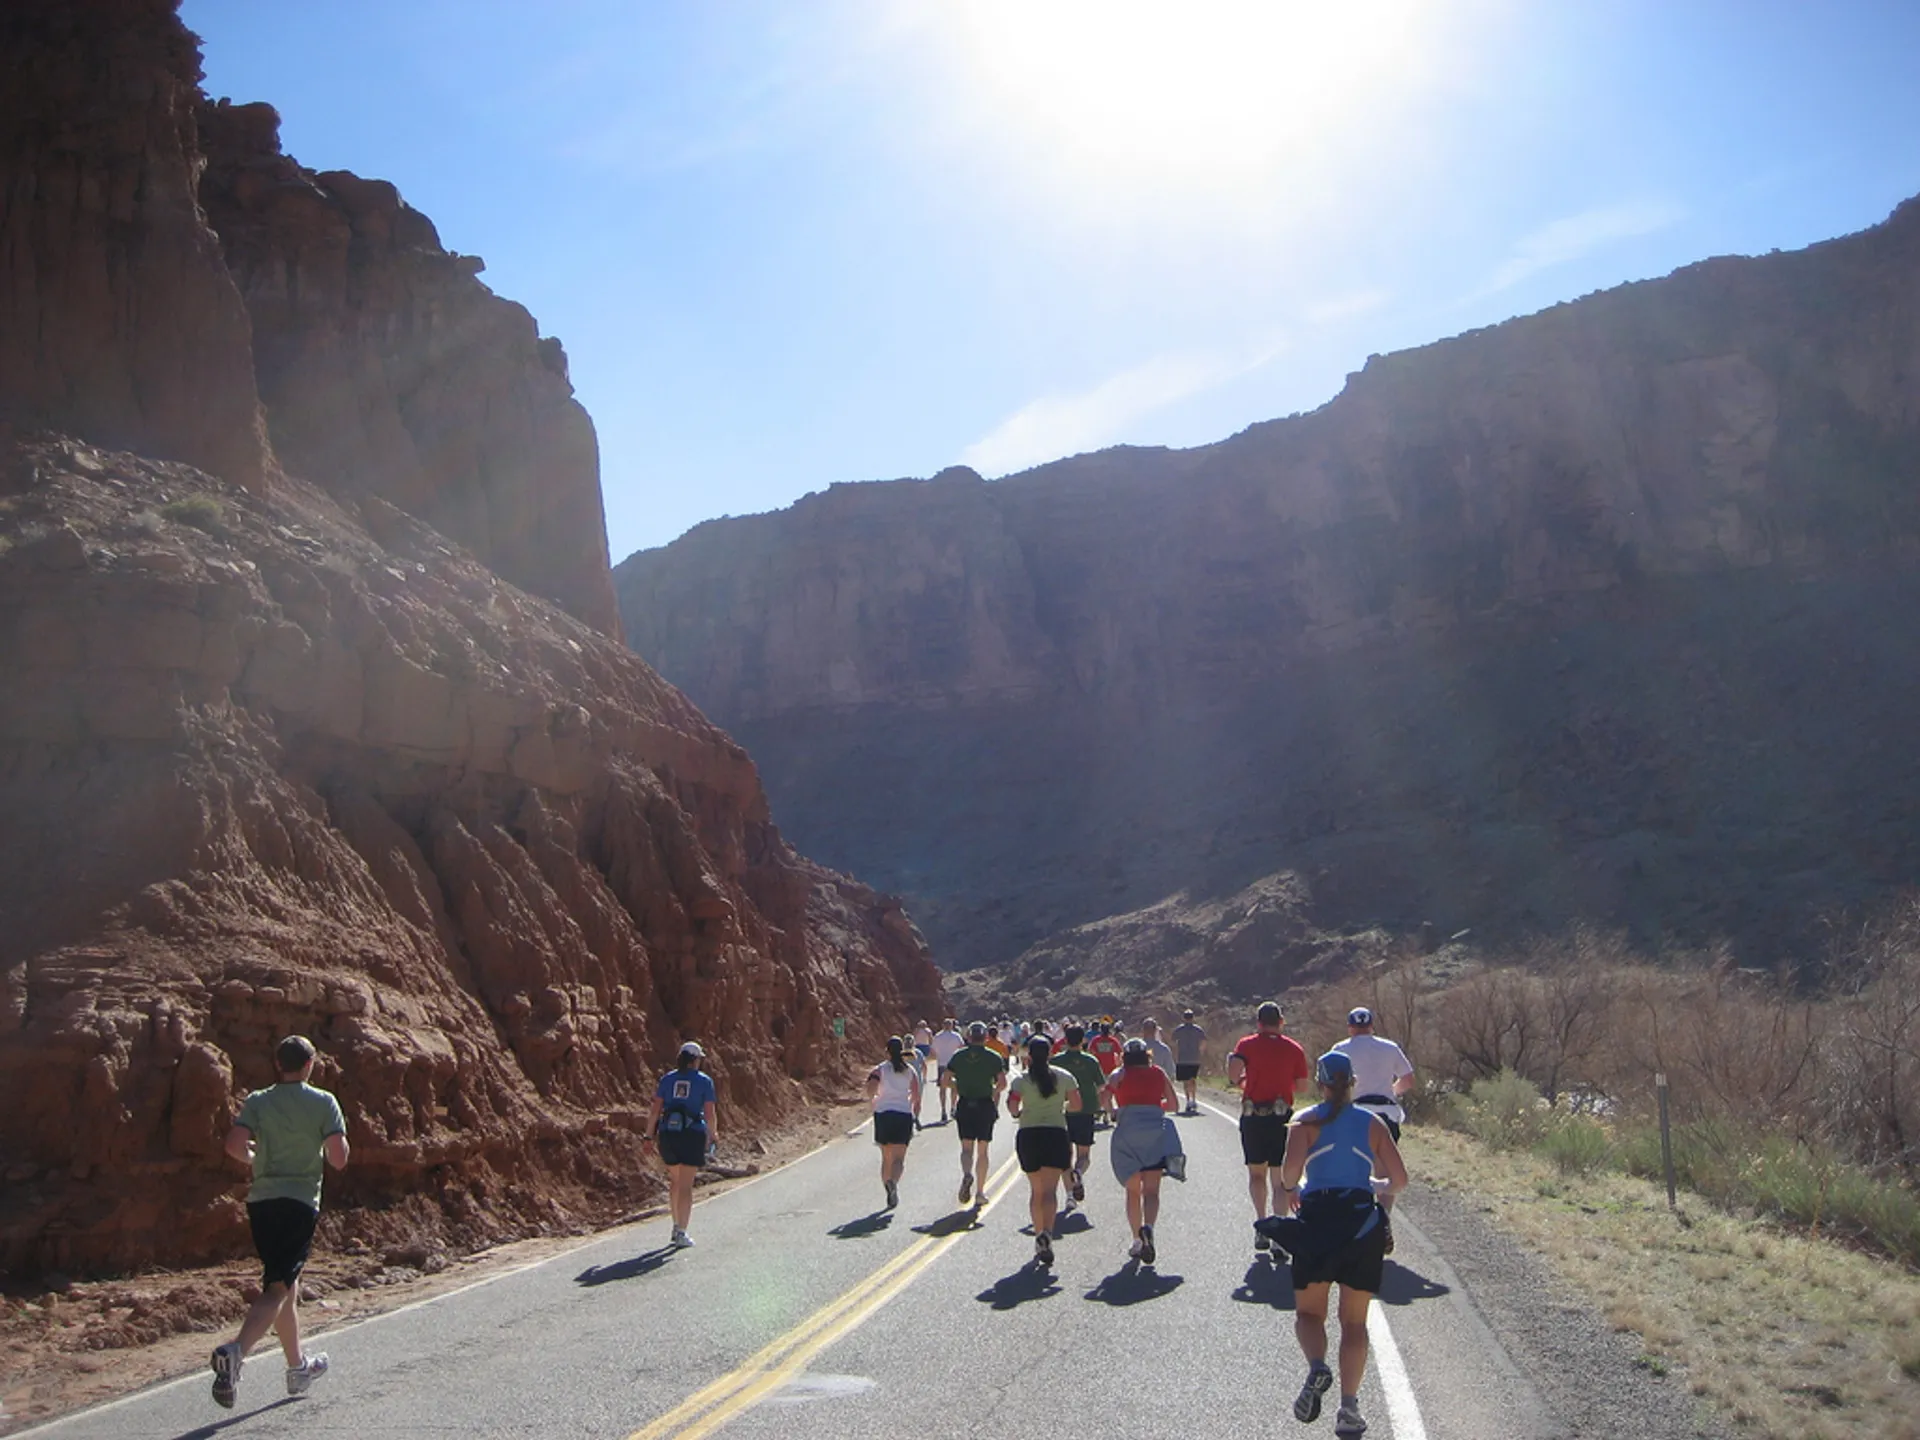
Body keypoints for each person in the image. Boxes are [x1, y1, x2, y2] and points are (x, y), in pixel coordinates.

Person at [1259, 1051, 1408, 1439]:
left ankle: (1316, 1367)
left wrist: (1295, 1189)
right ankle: (1350, 1409)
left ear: (1321, 1083)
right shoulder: (1373, 1123)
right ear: (1352, 1082)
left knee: (1309, 1315)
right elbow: (1400, 1180)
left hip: (1317, 1222)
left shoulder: (1304, 1122)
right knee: (1354, 1323)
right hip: (1361, 1224)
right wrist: (1374, 1186)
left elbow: (1290, 1175)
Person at [209, 1035, 350, 1409]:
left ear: (278, 1065)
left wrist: (256, 1157)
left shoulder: (258, 1100)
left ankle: (297, 1368)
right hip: (299, 1203)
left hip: (262, 1203)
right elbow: (338, 1158)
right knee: (276, 1289)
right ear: (309, 1065)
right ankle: (235, 1352)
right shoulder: (323, 1102)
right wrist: (321, 1143)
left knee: (285, 1283)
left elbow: (233, 1145)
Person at [1227, 1001, 1311, 1256]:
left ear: (1259, 1023)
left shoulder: (1246, 1044)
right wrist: (1284, 1083)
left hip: (1253, 1116)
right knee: (1281, 1179)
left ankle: (1261, 1224)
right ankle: (1279, 1234)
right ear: (1281, 1021)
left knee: (1256, 1174)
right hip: (1281, 1116)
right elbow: (1303, 1085)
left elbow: (1233, 1074)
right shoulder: (1294, 1048)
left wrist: (1244, 1080)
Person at [1331, 1006, 1416, 1253]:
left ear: (1350, 1028)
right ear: (1371, 1026)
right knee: (1385, 1169)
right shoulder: (1389, 1047)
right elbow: (1408, 1079)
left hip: (1355, 1113)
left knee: (1353, 1168)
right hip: (1386, 1113)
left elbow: (1333, 1083)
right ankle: (1383, 1220)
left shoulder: (1340, 1049)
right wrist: (1392, 1092)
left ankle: (1354, 1222)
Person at [1102, 1038, 1185, 1265]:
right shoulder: (1158, 1073)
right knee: (1152, 1190)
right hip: (1155, 1134)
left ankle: (1137, 1240)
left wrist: (1114, 1112)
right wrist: (1153, 1107)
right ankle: (1148, 1227)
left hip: (1128, 1133)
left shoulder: (1119, 1075)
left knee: (1132, 1191)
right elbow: (1174, 1105)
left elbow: (1105, 1097)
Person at [1006, 1035, 1083, 1266]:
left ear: (1029, 1055)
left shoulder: (1021, 1080)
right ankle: (1047, 1233)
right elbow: (1077, 1104)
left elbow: (1011, 1105)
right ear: (1050, 1053)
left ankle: (1039, 1232)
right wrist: (1062, 1107)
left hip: (1029, 1135)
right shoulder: (1065, 1077)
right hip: (1055, 1134)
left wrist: (1019, 1113)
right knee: (1050, 1191)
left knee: (1036, 1190)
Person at [645, 1041, 719, 1249]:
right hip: (691, 1133)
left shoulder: (667, 1079)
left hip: (668, 1134)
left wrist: (648, 1137)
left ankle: (675, 1224)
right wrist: (713, 1134)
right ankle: (681, 1232)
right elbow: (710, 1113)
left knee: (675, 1181)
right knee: (686, 1184)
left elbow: (655, 1111)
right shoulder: (704, 1081)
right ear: (695, 1060)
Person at [946, 1022, 1007, 1206]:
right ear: (986, 1037)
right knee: (983, 1150)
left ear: (969, 1037)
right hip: (985, 1104)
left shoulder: (958, 1056)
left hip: (965, 1102)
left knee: (966, 1147)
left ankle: (966, 1174)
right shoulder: (994, 1057)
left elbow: (945, 1079)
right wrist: (993, 1092)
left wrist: (958, 1086)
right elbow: (1002, 1083)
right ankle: (980, 1192)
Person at [1051, 1026, 1107, 1209]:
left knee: (1065, 1156)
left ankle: (1069, 1196)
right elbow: (1100, 1085)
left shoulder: (1056, 1061)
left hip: (1062, 1112)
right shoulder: (1091, 1060)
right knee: (1084, 1154)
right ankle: (1079, 1173)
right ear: (1083, 1040)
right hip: (1085, 1110)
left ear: (1065, 1040)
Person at [867, 1036, 922, 1209]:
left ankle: (887, 1186)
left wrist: (874, 1099)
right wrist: (915, 1113)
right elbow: (916, 1095)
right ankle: (894, 1184)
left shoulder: (880, 1069)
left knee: (886, 1157)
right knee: (899, 1158)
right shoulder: (910, 1070)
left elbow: (871, 1088)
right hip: (903, 1114)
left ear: (886, 1051)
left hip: (883, 1114)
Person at [1171, 1008, 1207, 1115]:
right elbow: (1204, 1041)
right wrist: (1201, 1051)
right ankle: (1193, 1100)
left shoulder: (1179, 1029)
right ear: (1193, 1018)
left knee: (1186, 1081)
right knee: (1192, 1079)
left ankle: (1188, 1101)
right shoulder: (1197, 1029)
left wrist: (1176, 1051)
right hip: (1194, 1058)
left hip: (1183, 1058)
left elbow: (1173, 1041)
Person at [929, 1017, 965, 1123]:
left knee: (942, 1088)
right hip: (954, 1064)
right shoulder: (956, 1036)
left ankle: (943, 1110)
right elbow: (962, 1047)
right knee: (954, 1086)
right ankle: (953, 1108)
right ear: (952, 1026)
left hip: (941, 1065)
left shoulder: (937, 1036)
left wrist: (939, 1057)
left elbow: (932, 1051)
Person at [1087, 1022, 1124, 1122]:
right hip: (1111, 1070)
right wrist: (1119, 1064)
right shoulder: (1113, 1040)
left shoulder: (1096, 1040)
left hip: (1099, 1070)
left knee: (1100, 1092)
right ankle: (1107, 1113)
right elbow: (1120, 1053)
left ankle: (1101, 1111)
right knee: (1108, 1093)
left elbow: (1090, 1053)